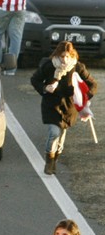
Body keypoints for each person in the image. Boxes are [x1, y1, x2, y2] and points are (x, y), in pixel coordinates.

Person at [30, 41, 97, 175]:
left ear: (71, 55)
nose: (64, 60)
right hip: (51, 104)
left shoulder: (77, 67)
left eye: (67, 56)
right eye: (62, 56)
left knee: (61, 138)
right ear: (57, 55)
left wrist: (83, 98)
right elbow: (35, 79)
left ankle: (55, 158)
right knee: (54, 132)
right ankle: (49, 161)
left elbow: (92, 84)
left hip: (69, 107)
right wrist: (44, 88)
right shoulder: (49, 66)